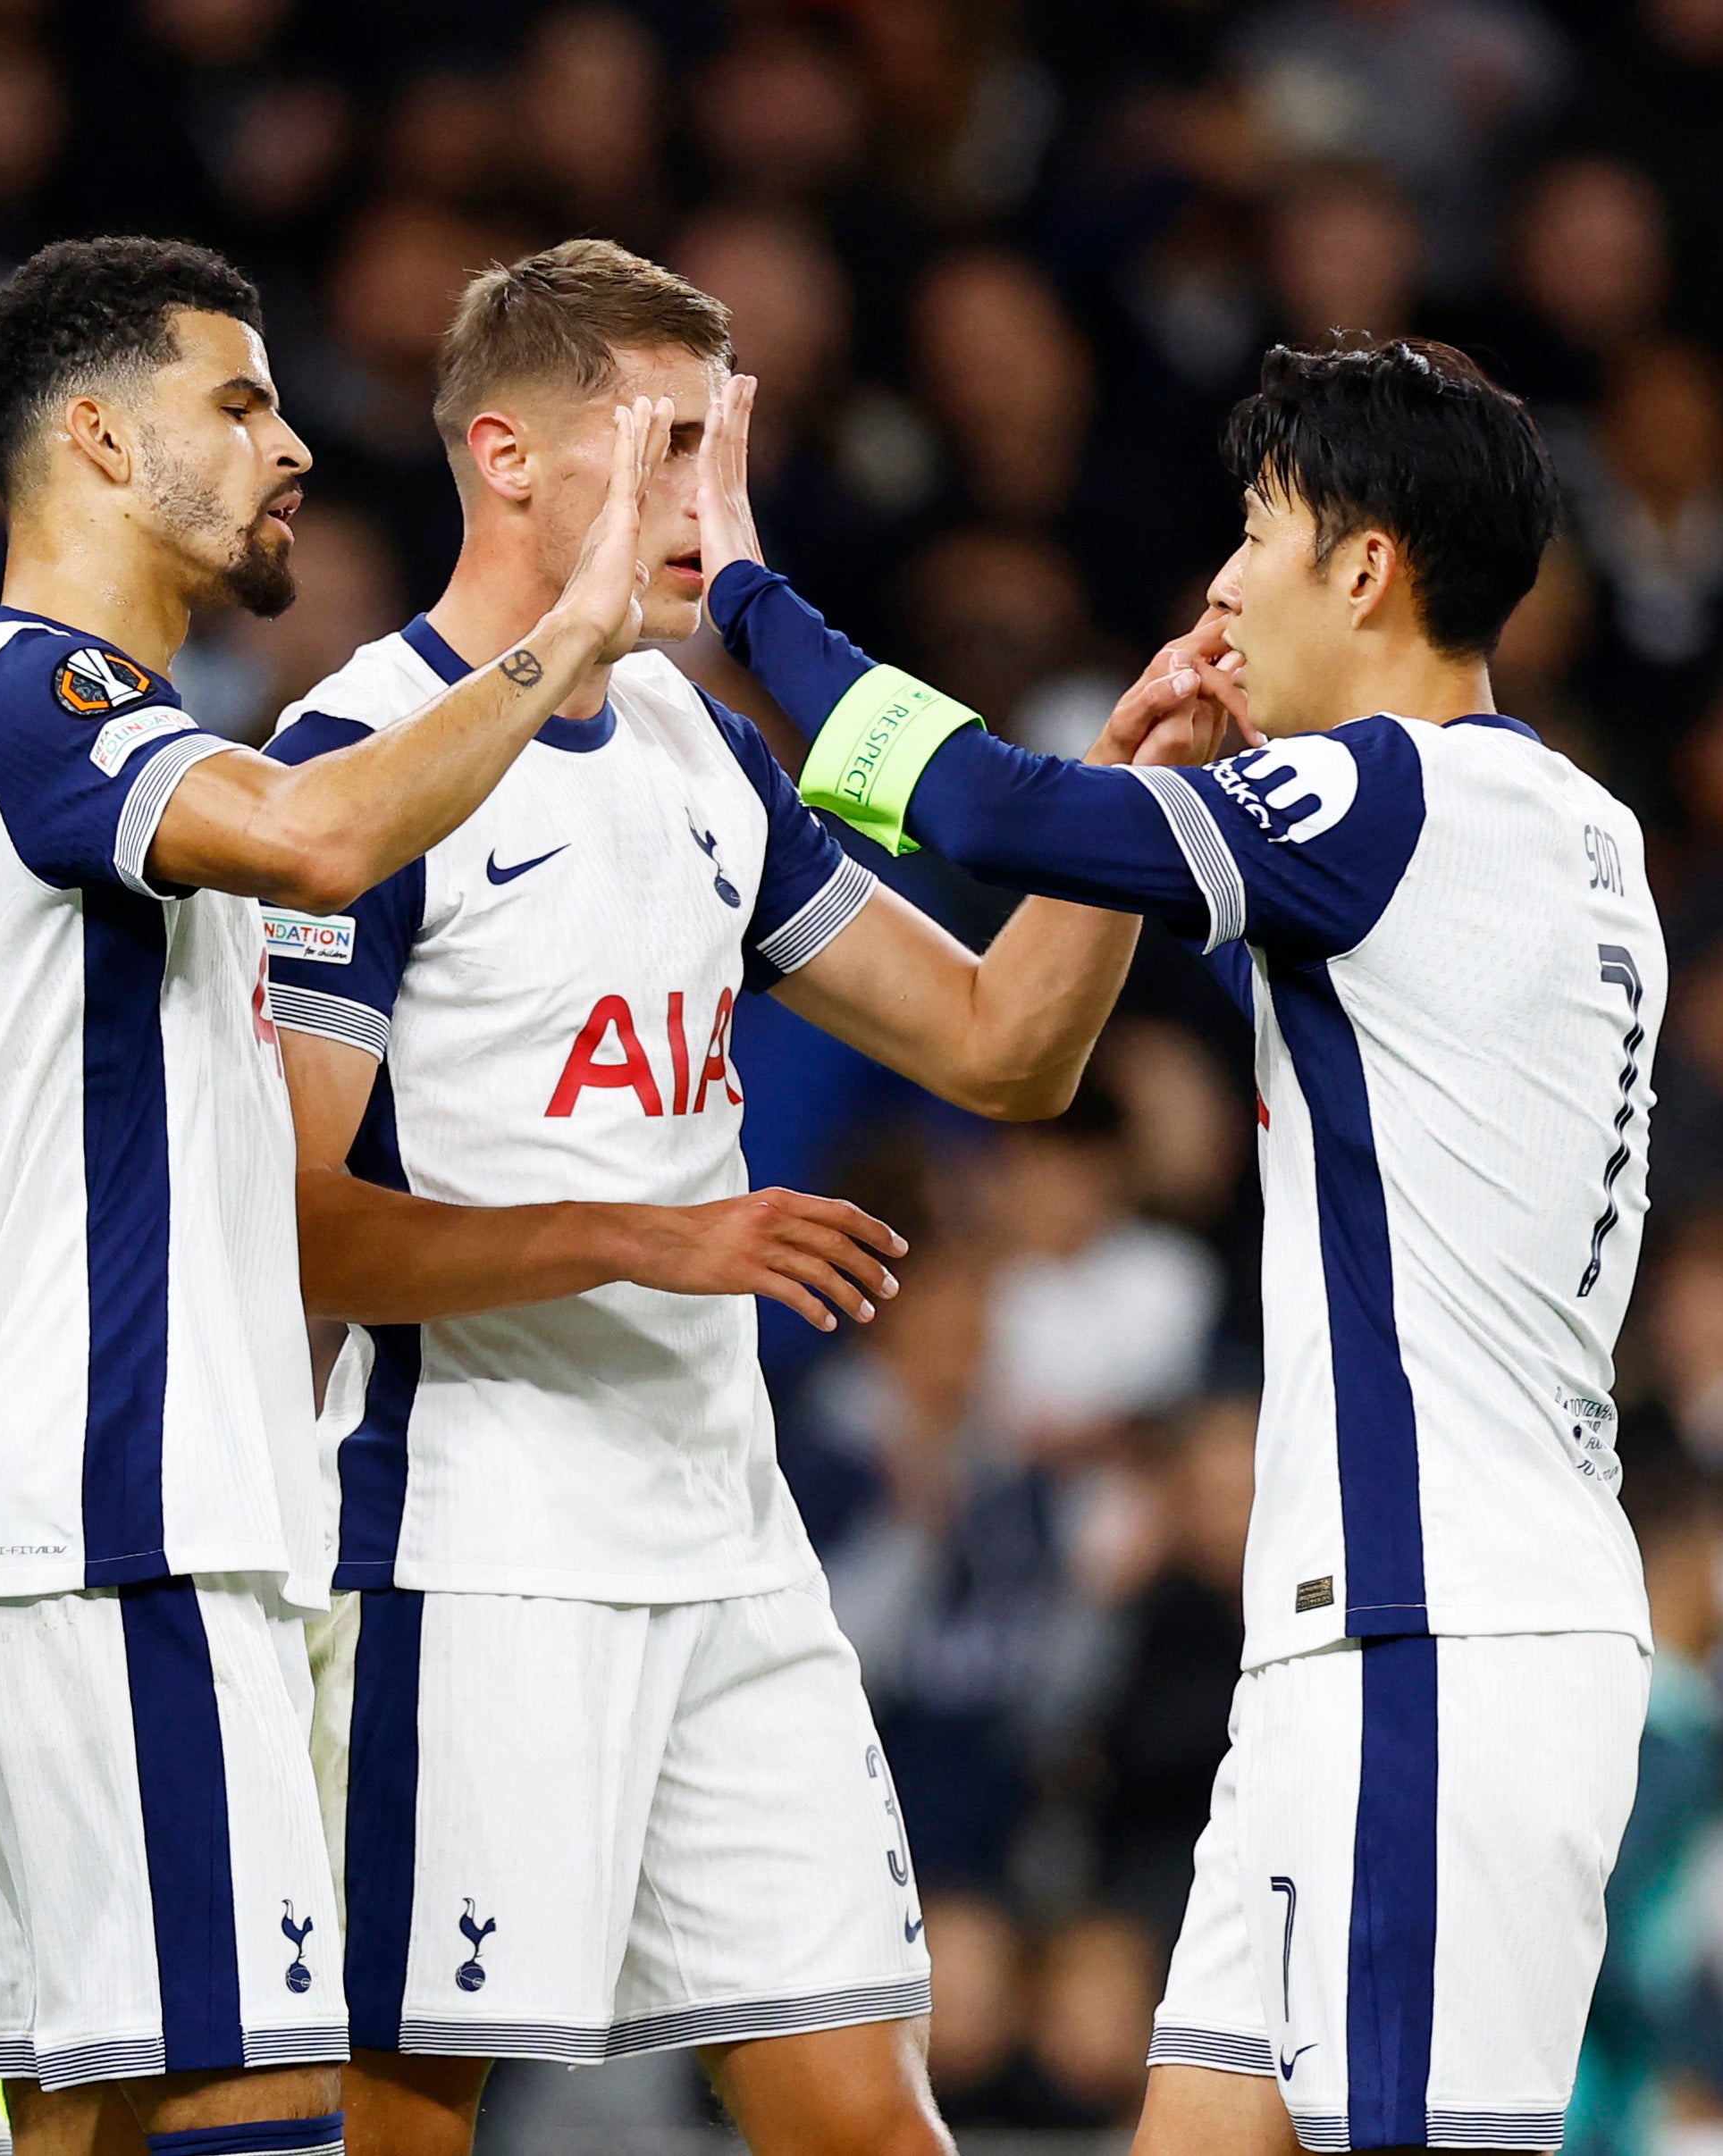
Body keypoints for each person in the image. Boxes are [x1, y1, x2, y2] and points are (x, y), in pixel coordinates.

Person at [252, 240, 1231, 2156]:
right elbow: (295, 1227)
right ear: (509, 456)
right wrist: (647, 1232)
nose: (714, 508)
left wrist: (1116, 805)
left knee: (866, 2116)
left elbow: (996, 1049)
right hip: (471, 1536)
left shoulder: (702, 748)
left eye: (728, 454)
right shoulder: (351, 766)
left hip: (725, 1534)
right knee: (399, 2104)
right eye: (671, 449)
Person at [703, 338, 1665, 2156]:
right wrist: (1157, 797)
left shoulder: (1394, 797)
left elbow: (979, 807)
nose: (1219, 581)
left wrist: (743, 587)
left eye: (1256, 530)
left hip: (1433, 1636)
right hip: (1375, 1635)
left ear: (1363, 566)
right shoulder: (1565, 830)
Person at [0, 234, 662, 2156]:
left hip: (37, 1523)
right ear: (98, 443)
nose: (291, 444)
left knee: (92, 2122)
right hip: (126, 1531)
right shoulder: (47, 704)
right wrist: (567, 632)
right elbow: (313, 836)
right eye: (236, 402)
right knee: (260, 2107)